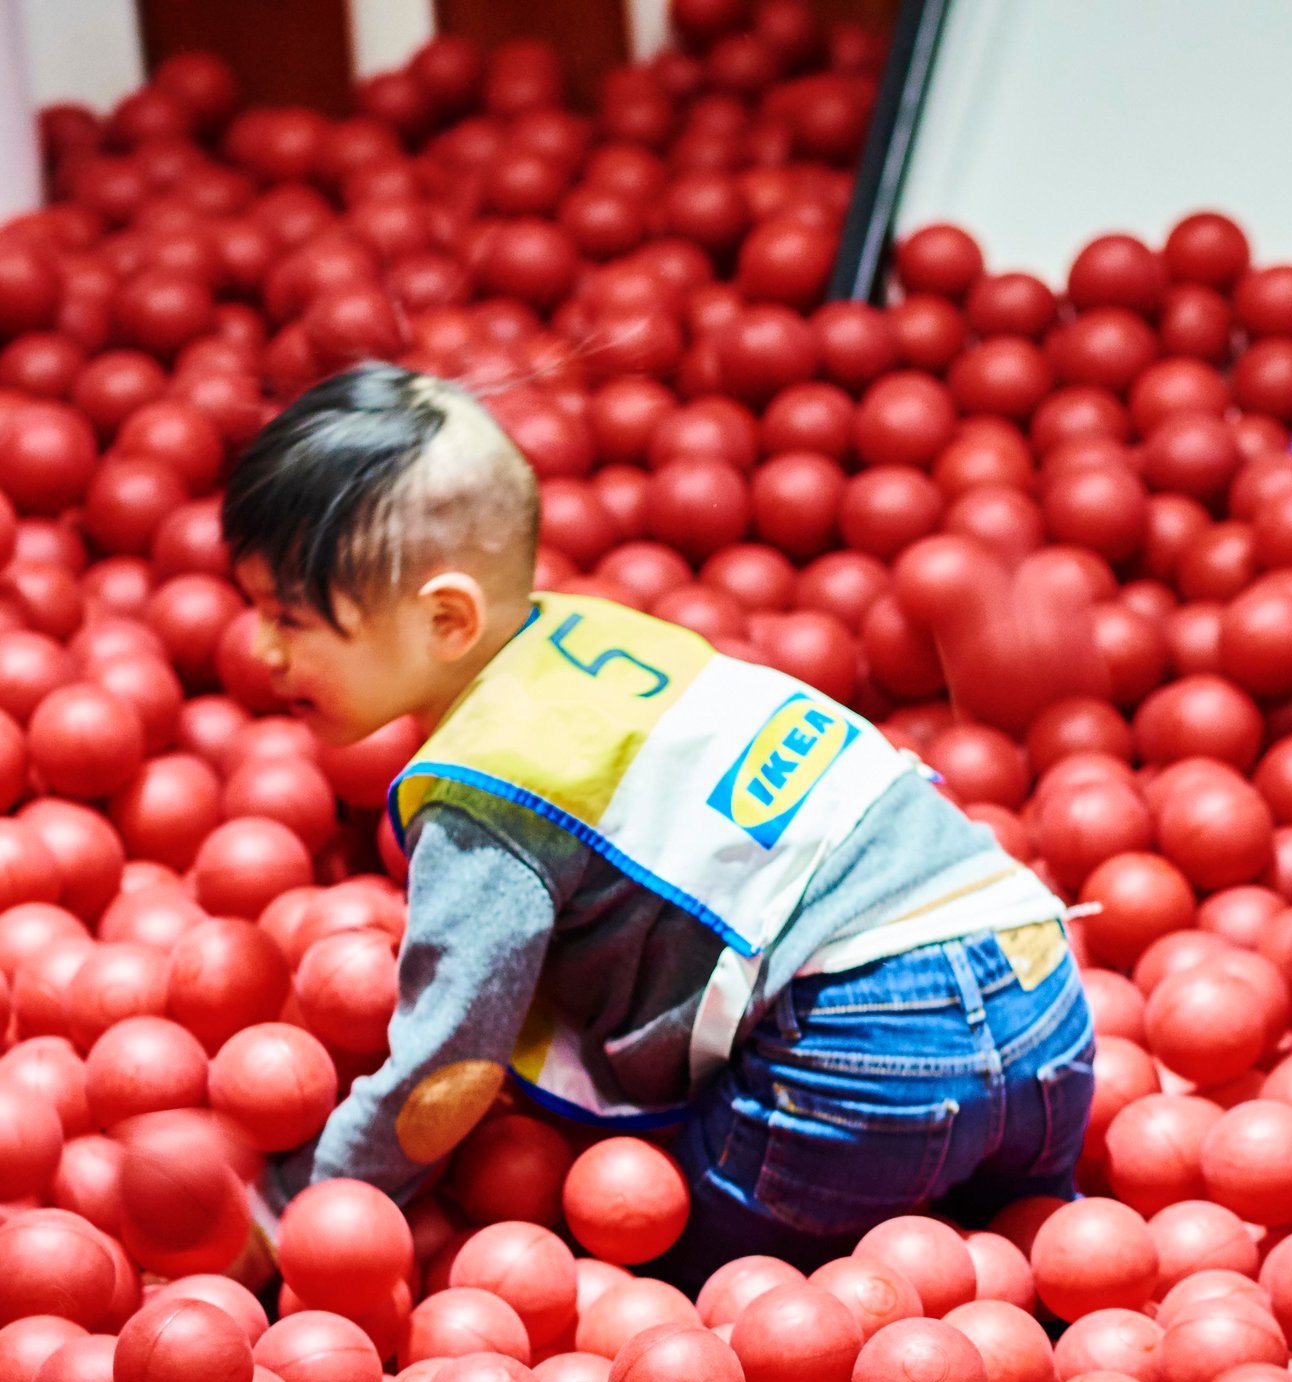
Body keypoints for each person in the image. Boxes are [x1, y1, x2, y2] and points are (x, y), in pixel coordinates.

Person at [224, 361, 1095, 1292]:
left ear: (447, 619)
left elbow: (451, 1068)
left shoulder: (485, 795)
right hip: (1044, 996)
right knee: (1039, 1271)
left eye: (290, 619)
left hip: (870, 1060)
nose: (262, 649)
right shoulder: (603, 639)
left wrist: (309, 1202)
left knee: (674, 1297)